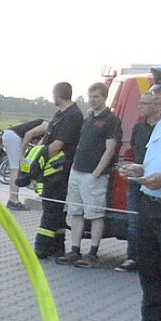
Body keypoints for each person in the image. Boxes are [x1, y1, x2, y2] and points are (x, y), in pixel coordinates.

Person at [111, 75, 161, 321]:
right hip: (151, 206)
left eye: (158, 94)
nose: (153, 100)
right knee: (151, 280)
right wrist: (141, 169)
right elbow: (157, 162)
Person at [58, 82, 122, 267]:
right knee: (75, 212)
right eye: (91, 96)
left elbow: (109, 149)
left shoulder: (111, 120)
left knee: (94, 214)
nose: (93, 100)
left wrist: (96, 173)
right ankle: (75, 250)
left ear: (104, 97)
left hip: (93, 175)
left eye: (97, 97)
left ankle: (93, 253)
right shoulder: (88, 119)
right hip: (77, 171)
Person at [30, 83, 83, 259]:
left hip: (59, 169)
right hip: (52, 169)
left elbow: (57, 145)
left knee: (51, 208)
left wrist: (38, 162)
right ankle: (57, 246)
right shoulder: (61, 114)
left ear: (57, 95)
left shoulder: (73, 115)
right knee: (55, 210)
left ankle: (42, 247)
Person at [120, 90, 159, 273]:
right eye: (139, 103)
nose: (139, 107)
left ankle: (152, 259)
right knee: (134, 220)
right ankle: (133, 257)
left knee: (156, 221)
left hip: (157, 181)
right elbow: (135, 150)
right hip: (137, 179)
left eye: (143, 104)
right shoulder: (138, 128)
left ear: (155, 106)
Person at [5, 115, 45, 210]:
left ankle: (12, 199)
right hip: (14, 137)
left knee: (14, 168)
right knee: (16, 169)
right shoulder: (47, 126)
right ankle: (13, 200)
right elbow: (29, 134)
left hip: (10, 135)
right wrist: (23, 153)